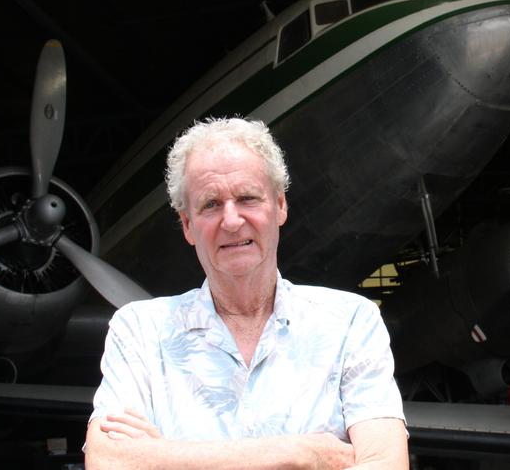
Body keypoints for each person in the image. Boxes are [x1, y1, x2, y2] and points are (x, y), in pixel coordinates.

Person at [84, 117, 408, 469]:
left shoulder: (350, 322)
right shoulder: (139, 330)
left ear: (280, 206)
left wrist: (160, 456)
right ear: (188, 225)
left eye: (247, 198)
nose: (232, 220)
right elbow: (106, 462)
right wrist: (297, 455)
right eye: (210, 204)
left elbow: (386, 464)